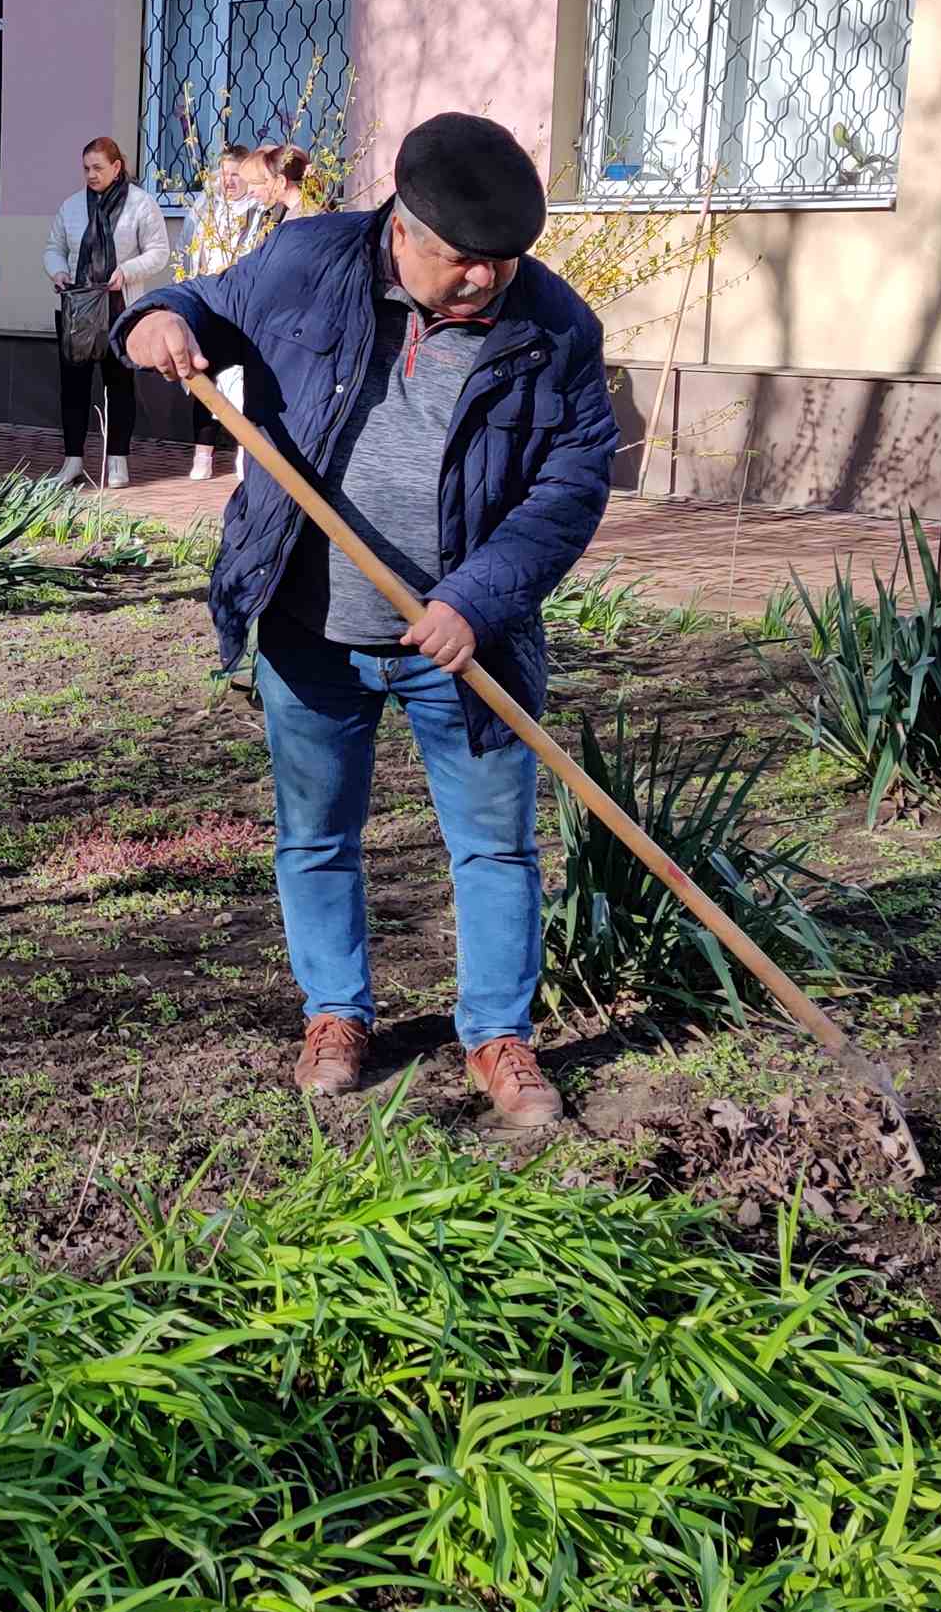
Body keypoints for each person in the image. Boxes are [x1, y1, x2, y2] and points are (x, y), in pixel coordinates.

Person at [116, 112, 619, 1128]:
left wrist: (475, 599)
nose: (488, 279)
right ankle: (336, 1016)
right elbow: (201, 307)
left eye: (505, 260)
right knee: (316, 836)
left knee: (492, 846)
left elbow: (572, 482)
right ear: (403, 228)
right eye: (466, 261)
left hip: (463, 641)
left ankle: (497, 1035)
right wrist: (160, 320)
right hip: (309, 621)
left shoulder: (555, 327)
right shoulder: (308, 261)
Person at [41, 136, 171, 489]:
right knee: (74, 389)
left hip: (120, 309)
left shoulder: (141, 204)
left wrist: (126, 272)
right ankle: (72, 462)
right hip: (76, 310)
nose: (91, 175)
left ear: (117, 167)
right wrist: (59, 272)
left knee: (119, 386)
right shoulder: (70, 206)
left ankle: (117, 461)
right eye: (86, 168)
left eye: (98, 167)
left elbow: (159, 252)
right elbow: (54, 248)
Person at [178, 149, 276, 481]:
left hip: (242, 306)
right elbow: (187, 255)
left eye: (235, 174)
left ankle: (243, 450)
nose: (228, 181)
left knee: (241, 382)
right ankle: (202, 454)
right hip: (208, 301)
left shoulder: (259, 214)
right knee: (204, 377)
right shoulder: (206, 213)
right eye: (223, 174)